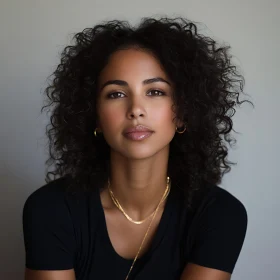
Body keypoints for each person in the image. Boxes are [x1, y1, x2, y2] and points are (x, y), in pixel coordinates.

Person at [22, 17, 251, 280]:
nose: (136, 110)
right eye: (116, 94)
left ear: (183, 112)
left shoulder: (219, 215)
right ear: (95, 115)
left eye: (155, 92)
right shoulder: (50, 210)